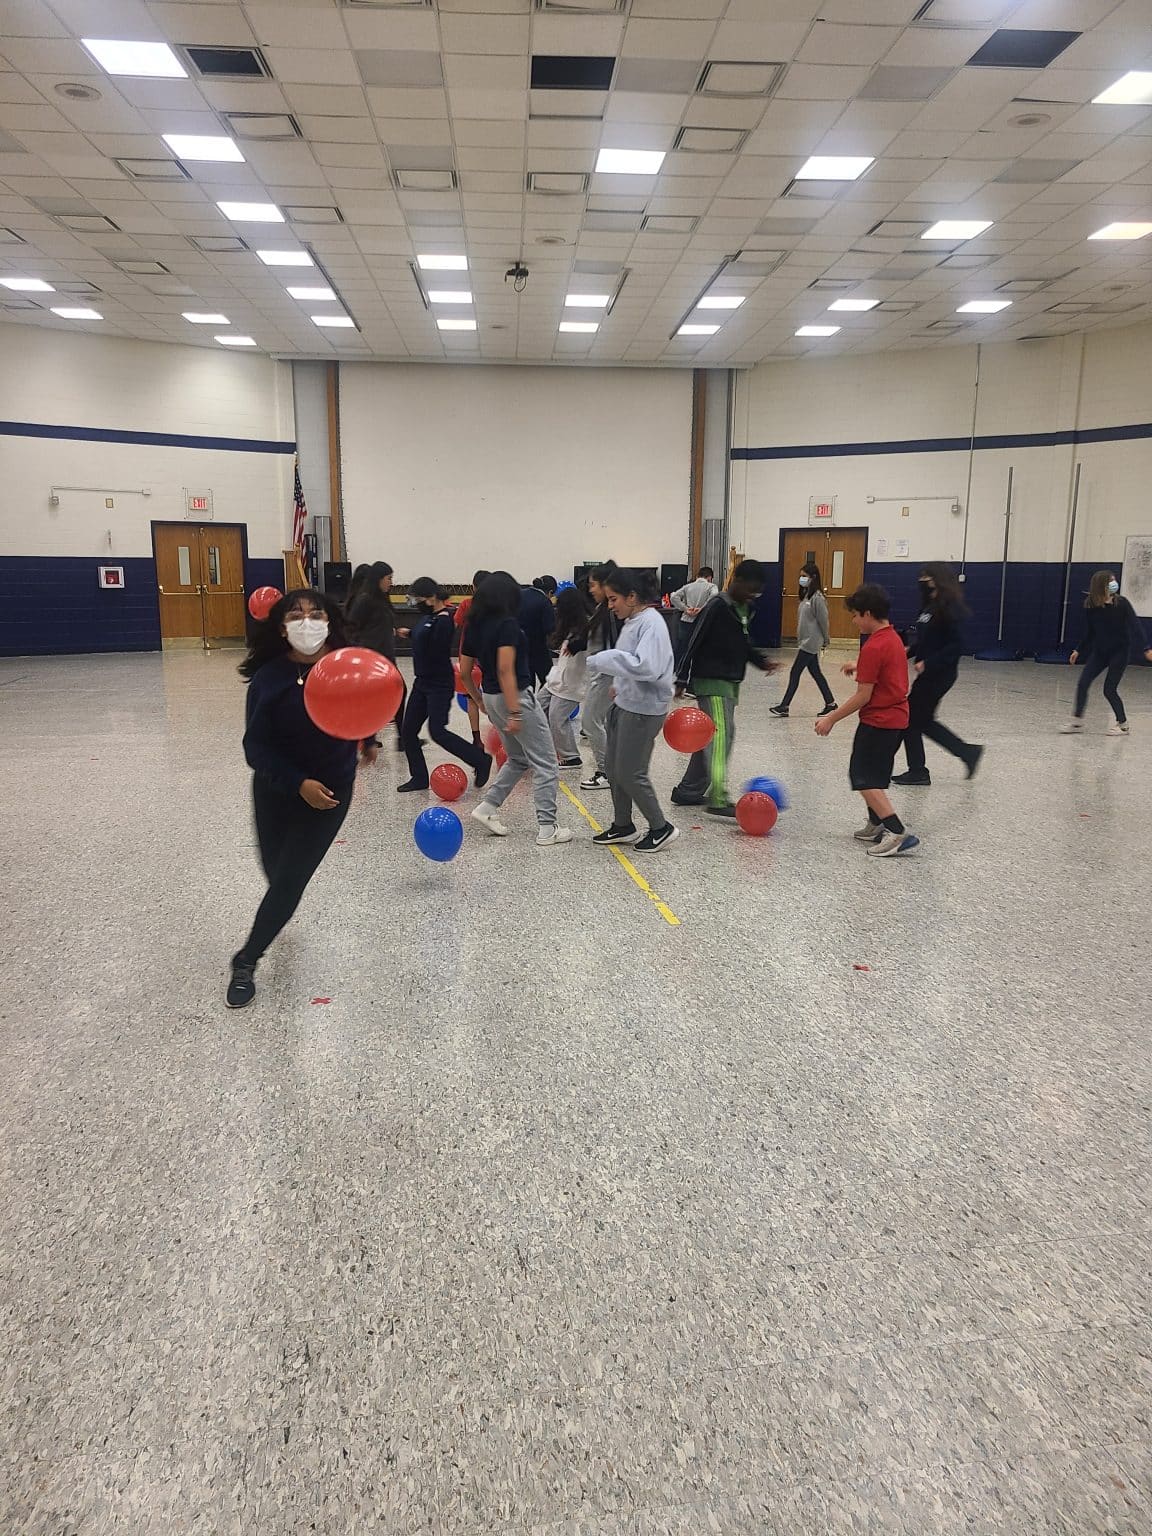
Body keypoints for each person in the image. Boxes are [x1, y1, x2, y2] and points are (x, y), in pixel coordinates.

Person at [228, 589, 377, 1008]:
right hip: (277, 787)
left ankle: (246, 960)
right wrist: (297, 784)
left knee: (290, 880)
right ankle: (277, 910)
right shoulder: (270, 678)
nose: (307, 623)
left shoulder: (348, 668)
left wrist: (368, 738)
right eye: (296, 615)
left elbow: (370, 700)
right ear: (281, 627)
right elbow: (255, 748)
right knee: (276, 872)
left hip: (330, 791)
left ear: (330, 622)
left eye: (317, 615)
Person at [460, 571, 572, 846]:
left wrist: (479, 700)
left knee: (518, 758)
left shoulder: (474, 625)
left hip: (491, 696)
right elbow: (505, 669)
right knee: (546, 761)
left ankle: (487, 807)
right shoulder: (507, 625)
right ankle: (547, 828)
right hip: (515, 696)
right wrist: (516, 711)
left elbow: (464, 672)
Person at [814, 583, 918, 858]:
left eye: (855, 615)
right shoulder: (892, 637)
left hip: (878, 721)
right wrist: (859, 666)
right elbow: (885, 668)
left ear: (868, 613)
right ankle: (876, 823)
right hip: (896, 720)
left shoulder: (874, 646)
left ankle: (896, 831)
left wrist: (831, 718)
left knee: (863, 777)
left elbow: (863, 695)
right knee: (875, 774)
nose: (854, 620)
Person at [672, 559, 779, 817]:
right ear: (736, 581)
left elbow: (742, 643)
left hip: (730, 681)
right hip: (712, 680)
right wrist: (682, 678)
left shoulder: (744, 608)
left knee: (709, 735)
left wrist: (761, 661)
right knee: (722, 737)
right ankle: (718, 798)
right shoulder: (718, 605)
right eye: (750, 590)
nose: (752, 596)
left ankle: (688, 791)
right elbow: (693, 639)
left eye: (757, 593)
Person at [586, 567, 678, 853]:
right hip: (625, 704)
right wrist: (619, 684)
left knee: (630, 772)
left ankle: (661, 827)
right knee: (614, 769)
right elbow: (630, 660)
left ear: (632, 596)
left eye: (614, 599)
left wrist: (604, 659)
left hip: (643, 710)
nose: (610, 605)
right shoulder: (632, 621)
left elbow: (647, 666)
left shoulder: (652, 623)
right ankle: (623, 824)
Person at [398, 576, 492, 793]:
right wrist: (409, 633)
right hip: (422, 682)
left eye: (418, 599)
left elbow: (433, 645)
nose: (416, 604)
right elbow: (422, 635)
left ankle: (480, 760)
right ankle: (419, 777)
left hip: (438, 684)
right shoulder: (429, 617)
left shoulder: (444, 621)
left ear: (431, 598)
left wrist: (417, 637)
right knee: (408, 730)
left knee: (437, 731)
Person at [894, 561, 983, 784]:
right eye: (922, 576)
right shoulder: (928, 607)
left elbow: (956, 646)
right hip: (929, 673)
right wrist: (909, 651)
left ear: (938, 579)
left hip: (940, 673)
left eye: (927, 577)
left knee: (911, 719)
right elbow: (927, 640)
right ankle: (967, 753)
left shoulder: (950, 607)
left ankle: (919, 770)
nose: (922, 581)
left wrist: (929, 662)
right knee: (921, 721)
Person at [1062, 569, 1152, 736]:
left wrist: (1146, 648)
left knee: (1109, 689)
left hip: (1120, 652)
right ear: (1101, 585)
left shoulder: (1122, 603)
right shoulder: (1091, 604)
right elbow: (1090, 632)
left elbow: (1136, 626)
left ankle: (1123, 724)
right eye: (1110, 581)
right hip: (1100, 652)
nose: (1114, 583)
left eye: (1114, 580)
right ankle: (1077, 721)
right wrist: (1078, 649)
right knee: (1083, 683)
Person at [347, 560, 408, 749]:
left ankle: (401, 737)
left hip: (387, 656)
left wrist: (393, 632)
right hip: (371, 658)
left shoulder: (382, 599)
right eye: (388, 578)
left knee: (399, 691)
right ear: (378, 579)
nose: (391, 582)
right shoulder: (364, 600)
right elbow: (350, 627)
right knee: (372, 697)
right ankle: (368, 737)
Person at [769, 561, 836, 718]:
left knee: (795, 672)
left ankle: (785, 705)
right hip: (805, 641)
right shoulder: (806, 596)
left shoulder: (818, 598)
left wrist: (826, 639)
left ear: (813, 577)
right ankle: (831, 703)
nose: (801, 579)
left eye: (804, 576)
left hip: (811, 642)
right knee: (816, 673)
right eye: (800, 576)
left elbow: (823, 621)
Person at [579, 560, 619, 792]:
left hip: (607, 675)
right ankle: (611, 770)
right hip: (600, 674)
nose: (591, 589)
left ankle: (606, 772)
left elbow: (616, 647)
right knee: (601, 722)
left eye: (594, 585)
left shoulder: (611, 613)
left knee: (590, 722)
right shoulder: (601, 610)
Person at [540, 586, 590, 768]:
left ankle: (571, 757)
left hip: (572, 682)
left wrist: (577, 645)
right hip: (558, 677)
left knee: (557, 717)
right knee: (538, 707)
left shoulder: (587, 628)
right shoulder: (569, 627)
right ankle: (545, 748)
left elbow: (586, 644)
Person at [454, 569, 489, 751]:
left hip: (468, 655)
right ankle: (501, 730)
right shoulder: (495, 607)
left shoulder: (466, 604)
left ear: (473, 587)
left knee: (471, 697)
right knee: (493, 693)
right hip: (489, 654)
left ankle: (476, 738)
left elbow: (455, 624)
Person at [670, 566, 719, 662]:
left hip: (686, 621)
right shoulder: (711, 586)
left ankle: (680, 668)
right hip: (701, 621)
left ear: (697, 576)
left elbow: (673, 597)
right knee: (700, 649)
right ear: (709, 577)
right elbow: (715, 595)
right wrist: (702, 608)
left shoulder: (687, 586)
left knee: (683, 648)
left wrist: (686, 609)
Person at [518, 580, 555, 687]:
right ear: (550, 592)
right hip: (539, 648)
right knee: (548, 681)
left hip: (519, 646)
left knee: (527, 683)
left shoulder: (520, 594)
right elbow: (549, 628)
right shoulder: (544, 601)